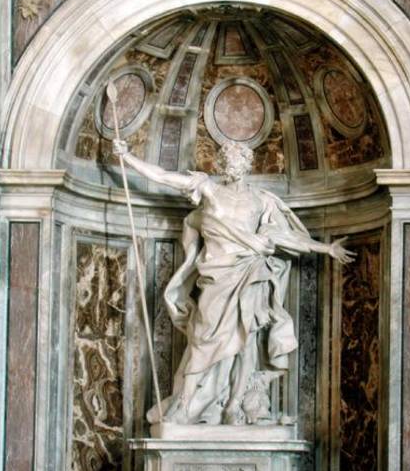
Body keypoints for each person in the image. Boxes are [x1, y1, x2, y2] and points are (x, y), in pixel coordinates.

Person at [113, 139, 354, 425]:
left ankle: (233, 405)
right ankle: (185, 404)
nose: (232, 164)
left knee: (246, 343)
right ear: (220, 164)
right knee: (203, 338)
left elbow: (285, 237)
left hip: (250, 273)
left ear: (248, 164)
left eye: (238, 159)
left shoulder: (261, 200)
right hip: (217, 277)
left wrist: (326, 248)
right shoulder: (208, 189)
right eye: (227, 160)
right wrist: (128, 157)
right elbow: (165, 178)